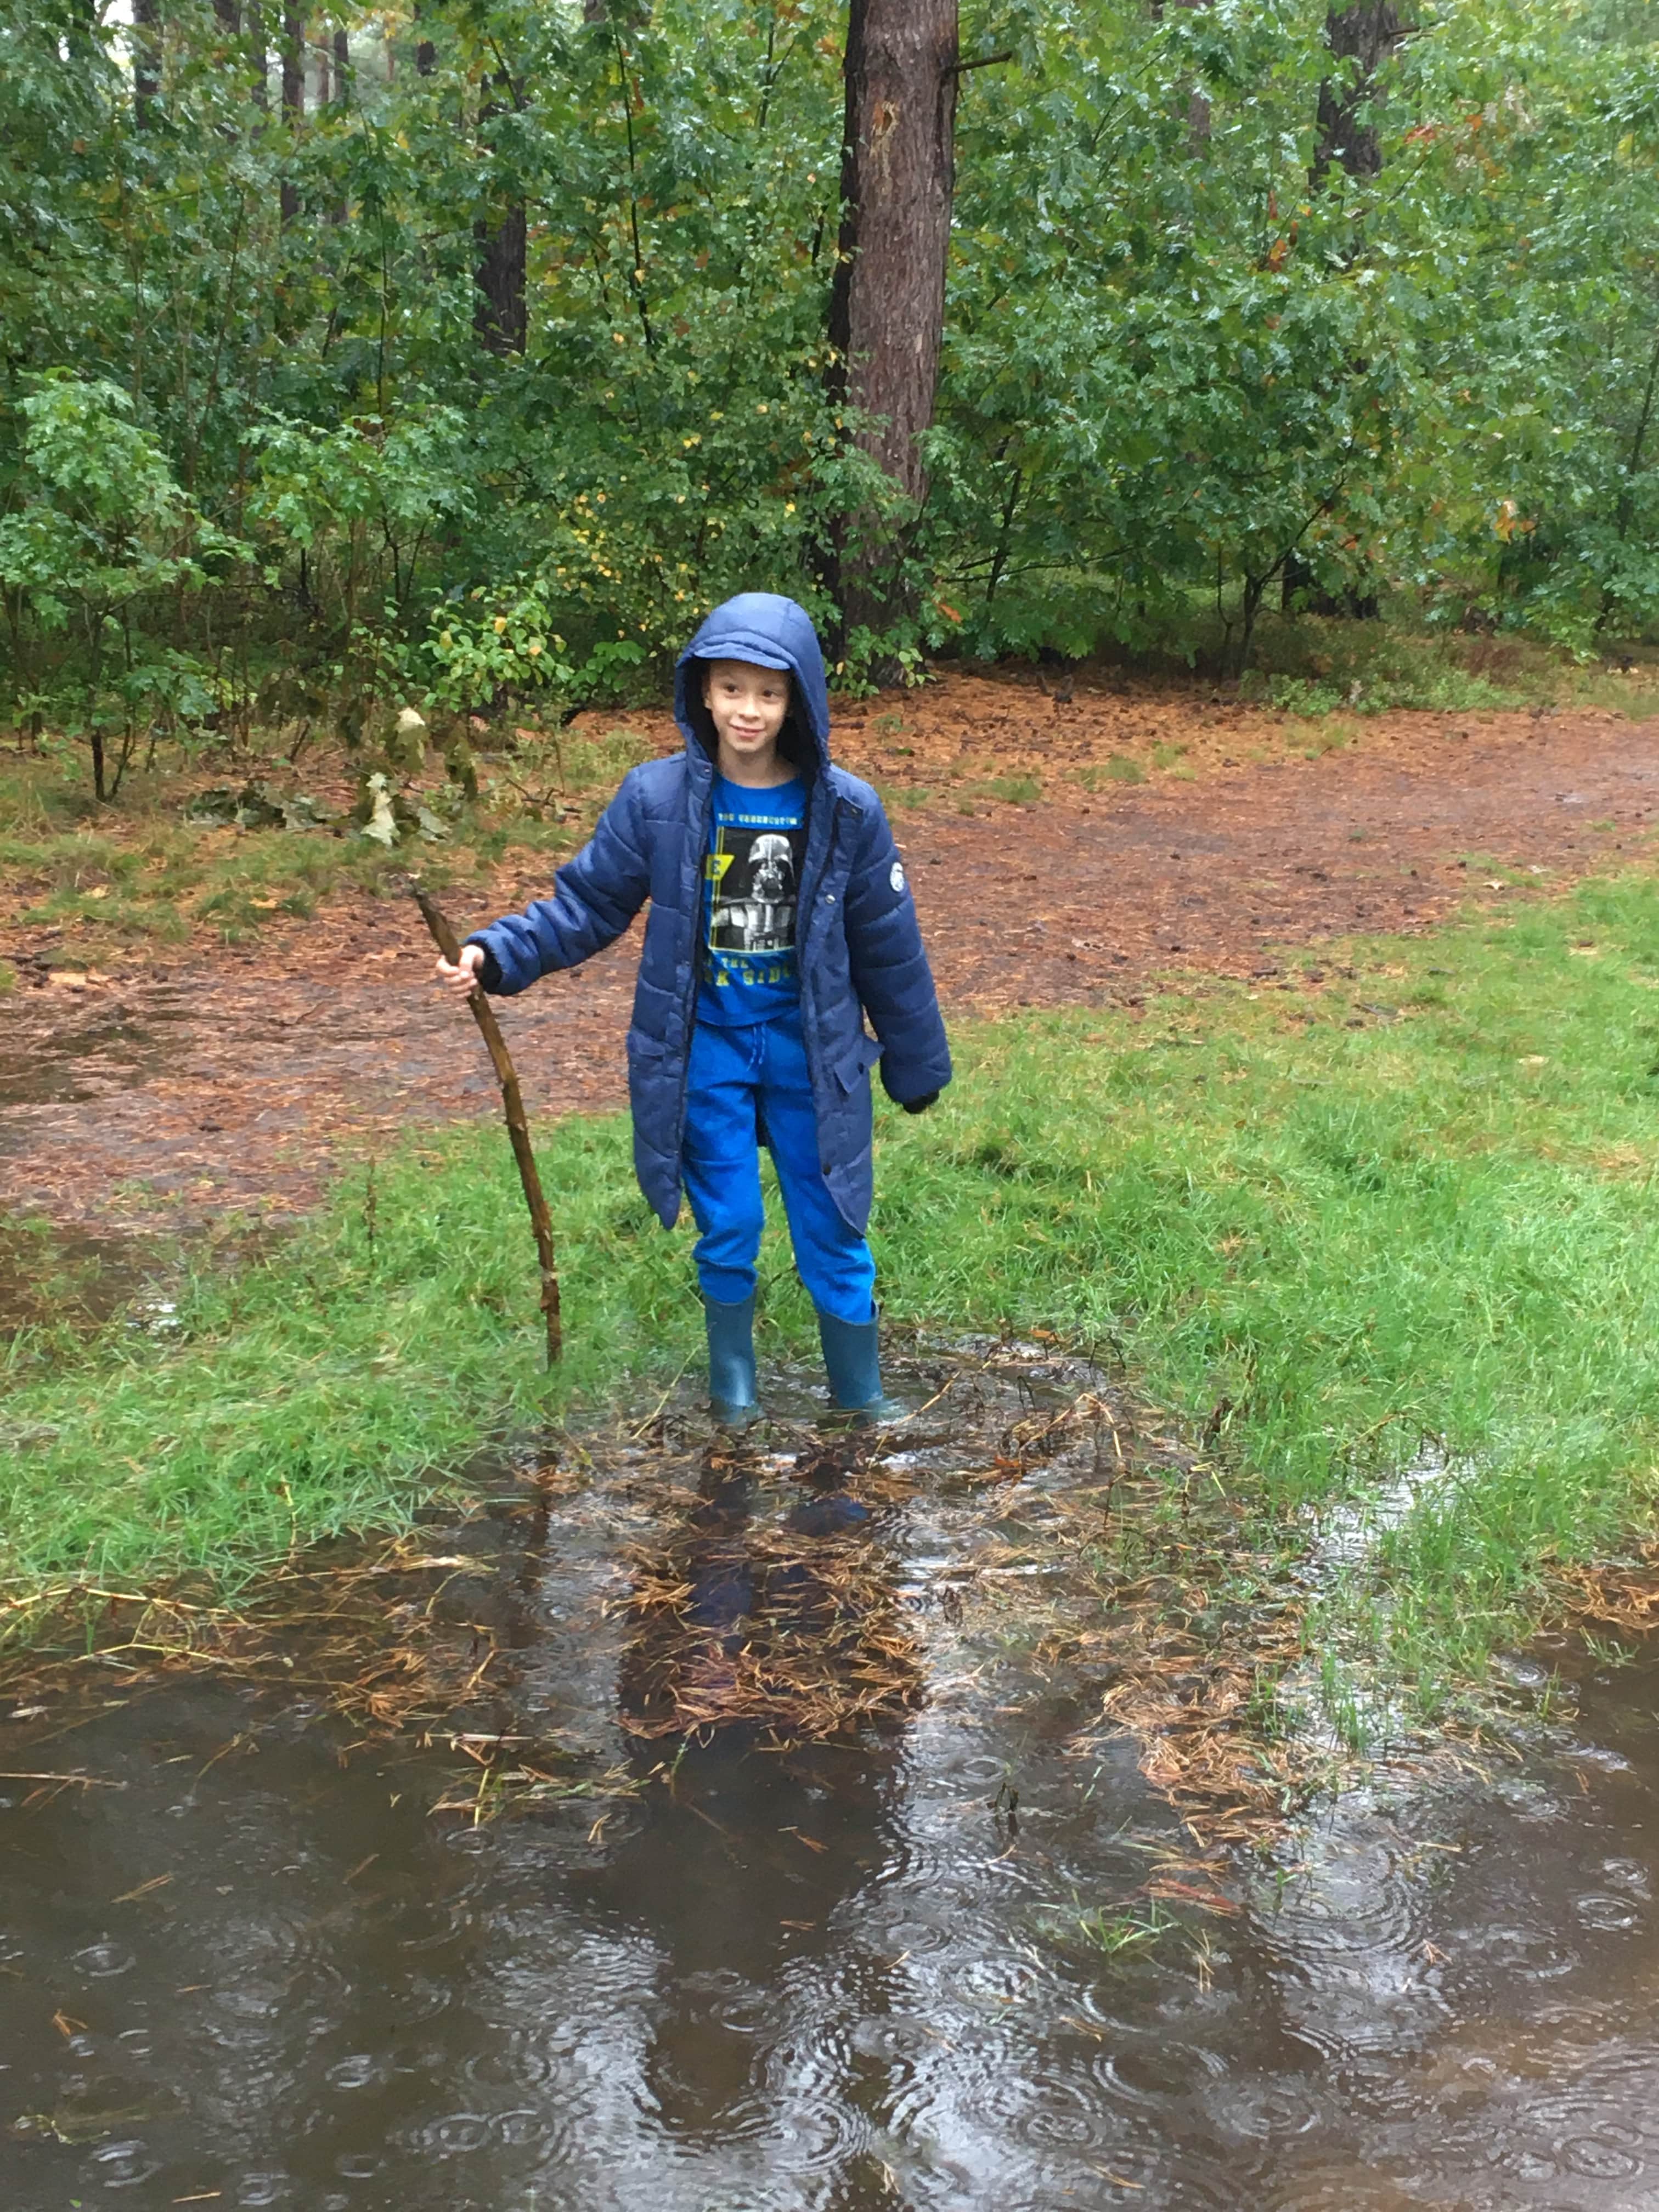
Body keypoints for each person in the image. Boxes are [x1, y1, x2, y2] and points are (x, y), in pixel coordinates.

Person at [436, 591, 951, 1427]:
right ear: (702, 693)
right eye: (732, 689)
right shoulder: (657, 801)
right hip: (704, 1050)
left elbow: (888, 942)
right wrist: (498, 954)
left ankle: (861, 1399)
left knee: (833, 1225)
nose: (749, 710)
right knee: (730, 1226)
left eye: (770, 693)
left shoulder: (847, 811)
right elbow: (587, 904)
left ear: (801, 701)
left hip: (810, 1051)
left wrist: (916, 1061)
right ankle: (735, 1398)